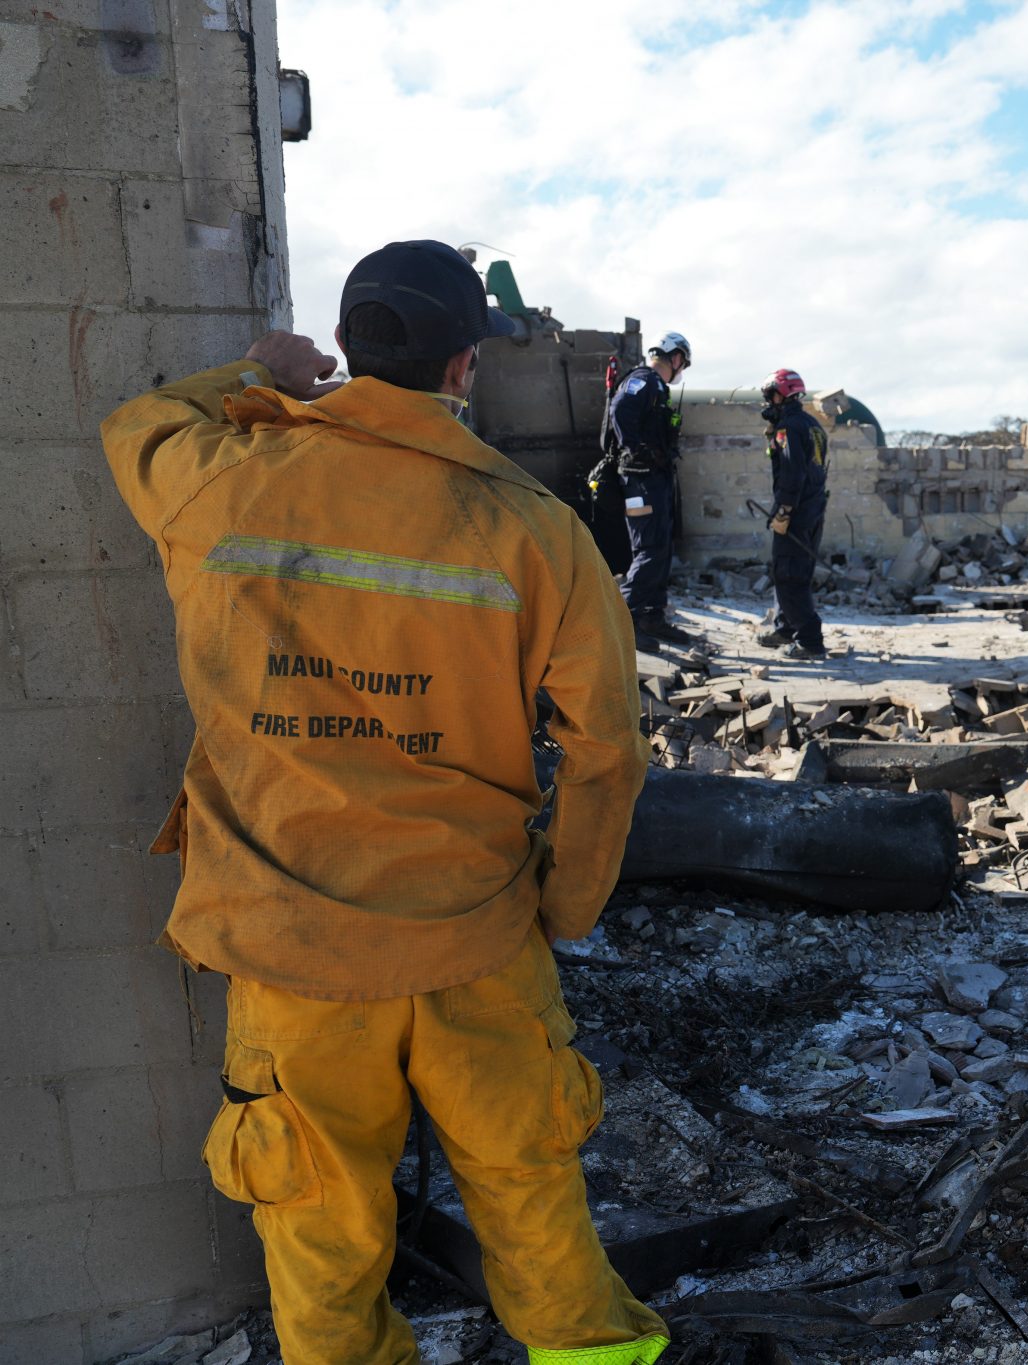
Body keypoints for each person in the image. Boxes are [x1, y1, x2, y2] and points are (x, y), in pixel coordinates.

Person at [99, 239, 669, 1365]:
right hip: (477, 936)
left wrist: (257, 372)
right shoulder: (534, 531)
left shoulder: (222, 476)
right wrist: (565, 904)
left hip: (294, 952)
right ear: (463, 368)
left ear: (348, 348)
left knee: (321, 1247)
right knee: (538, 1222)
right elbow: (606, 752)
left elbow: (134, 427)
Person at [606, 330, 693, 651]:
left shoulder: (657, 387)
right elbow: (620, 411)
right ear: (675, 356)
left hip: (655, 479)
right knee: (649, 549)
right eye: (682, 361)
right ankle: (624, 621)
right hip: (639, 479)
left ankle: (652, 617)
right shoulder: (642, 380)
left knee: (662, 547)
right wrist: (638, 450)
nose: (682, 368)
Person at [754, 367, 829, 659]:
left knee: (788, 574)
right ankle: (785, 627)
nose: (768, 401)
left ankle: (811, 640)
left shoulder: (790, 427)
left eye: (771, 395)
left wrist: (783, 511)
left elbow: (793, 472)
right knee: (795, 571)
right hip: (813, 508)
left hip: (795, 511)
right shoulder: (812, 424)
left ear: (782, 394)